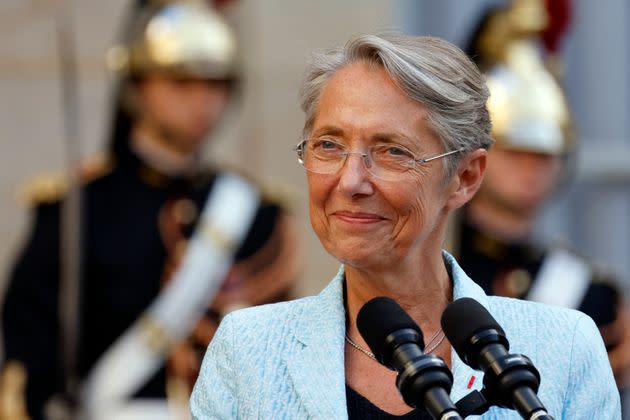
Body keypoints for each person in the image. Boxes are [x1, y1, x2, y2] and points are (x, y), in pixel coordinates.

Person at [190, 32, 620, 418]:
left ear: (465, 178)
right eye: (328, 145)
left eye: (393, 151)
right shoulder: (248, 350)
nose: (350, 181)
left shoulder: (564, 348)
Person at [0, 1, 299, 419]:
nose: (202, 101)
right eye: (181, 82)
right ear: (137, 86)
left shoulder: (257, 213)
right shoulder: (74, 210)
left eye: (216, 84)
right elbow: (30, 359)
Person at [446, 0, 630, 391]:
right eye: (515, 150)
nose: (532, 169)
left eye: (544, 155)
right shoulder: (432, 274)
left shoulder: (592, 294)